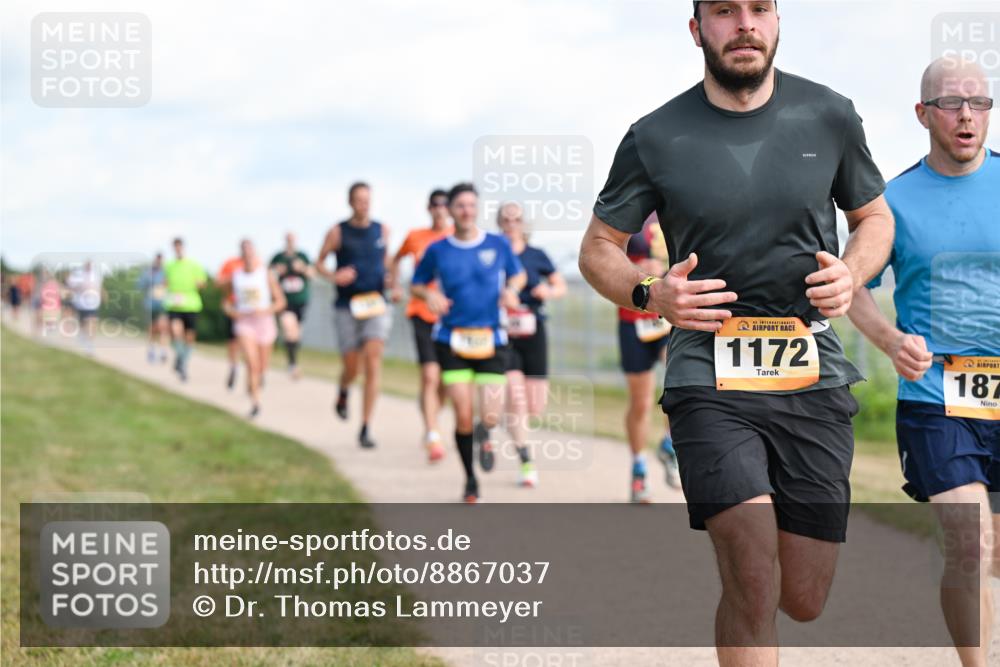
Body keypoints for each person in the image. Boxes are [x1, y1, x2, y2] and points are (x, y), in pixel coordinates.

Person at [578, 2, 894, 664]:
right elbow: (599, 248)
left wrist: (852, 271)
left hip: (812, 369)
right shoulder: (655, 135)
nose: (743, 23)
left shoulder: (830, 114)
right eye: (723, 11)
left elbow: (874, 218)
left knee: (802, 595)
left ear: (778, 24)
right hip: (706, 373)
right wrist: (651, 293)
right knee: (751, 573)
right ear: (697, 30)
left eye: (758, 9)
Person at [848, 57, 998, 667]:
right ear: (923, 114)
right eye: (951, 103)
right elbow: (851, 285)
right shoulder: (891, 202)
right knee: (969, 541)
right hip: (937, 396)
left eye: (980, 102)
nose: (967, 115)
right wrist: (888, 340)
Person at [412, 183, 526, 503]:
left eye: (471, 205)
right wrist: (430, 294)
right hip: (452, 340)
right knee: (463, 413)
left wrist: (512, 290)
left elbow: (517, 276)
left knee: (489, 414)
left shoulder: (497, 244)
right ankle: (470, 479)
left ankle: (484, 432)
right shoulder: (438, 250)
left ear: (477, 209)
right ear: (449, 210)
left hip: (491, 339)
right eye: (459, 206)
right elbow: (417, 284)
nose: (466, 211)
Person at [316, 182, 392, 449]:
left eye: (367, 200)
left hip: (376, 303)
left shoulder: (382, 230)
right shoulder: (337, 232)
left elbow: (387, 263)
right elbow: (319, 263)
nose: (364, 205)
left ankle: (366, 426)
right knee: (353, 367)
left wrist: (392, 285)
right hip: (347, 306)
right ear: (350, 202)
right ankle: (344, 390)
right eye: (359, 200)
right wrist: (334, 275)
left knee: (373, 360)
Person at [496, 201, 566, 488]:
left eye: (517, 219)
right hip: (504, 332)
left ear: (524, 223)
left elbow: (559, 286)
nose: (512, 223)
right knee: (516, 397)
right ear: (500, 223)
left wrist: (547, 290)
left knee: (535, 405)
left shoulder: (537, 255)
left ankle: (505, 422)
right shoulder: (494, 253)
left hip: (534, 330)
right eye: (507, 219)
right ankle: (526, 460)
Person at [617, 215, 680, 503]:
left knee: (680, 386)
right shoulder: (626, 205)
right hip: (634, 318)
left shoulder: (678, 200)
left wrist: (666, 270)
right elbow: (602, 256)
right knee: (641, 403)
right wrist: (636, 270)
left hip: (671, 315)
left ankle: (670, 444)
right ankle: (639, 467)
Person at [389, 188, 454, 462]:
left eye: (444, 205)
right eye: (435, 205)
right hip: (420, 311)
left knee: (446, 382)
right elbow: (395, 259)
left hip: (452, 316)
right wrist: (393, 284)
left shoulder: (457, 237)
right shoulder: (416, 237)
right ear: (429, 209)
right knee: (429, 375)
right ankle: (432, 435)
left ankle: (431, 420)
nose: (439, 209)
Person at [224, 239, 286, 418]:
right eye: (245, 252)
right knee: (252, 363)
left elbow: (281, 302)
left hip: (264, 322)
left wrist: (265, 310)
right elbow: (226, 302)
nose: (249, 255)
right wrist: (232, 312)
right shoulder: (235, 276)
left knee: (262, 366)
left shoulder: (265, 274)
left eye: (251, 251)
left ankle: (255, 382)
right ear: (241, 255)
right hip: (244, 323)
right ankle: (256, 403)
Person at [270, 232, 314, 379]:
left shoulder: (302, 256)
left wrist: (301, 268)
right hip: (284, 301)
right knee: (289, 329)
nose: (290, 242)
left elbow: (312, 274)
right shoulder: (278, 258)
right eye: (288, 239)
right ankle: (292, 364)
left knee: (296, 334)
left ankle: (292, 358)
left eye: (292, 239)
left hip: (300, 300)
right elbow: (267, 276)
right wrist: (277, 271)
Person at [164, 238, 207, 382]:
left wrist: (198, 283)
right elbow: (165, 282)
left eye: (179, 247)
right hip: (174, 304)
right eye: (175, 247)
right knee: (176, 332)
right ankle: (181, 360)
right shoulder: (169, 265)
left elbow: (202, 283)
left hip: (191, 304)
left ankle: (182, 360)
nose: (178, 250)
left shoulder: (193, 265)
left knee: (189, 337)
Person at [217, 255, 244, 390]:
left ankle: (256, 371)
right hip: (234, 305)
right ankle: (234, 366)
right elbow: (219, 283)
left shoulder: (258, 264)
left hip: (251, 310)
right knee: (233, 340)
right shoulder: (230, 264)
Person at [66, 260, 104, 355]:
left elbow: (99, 287)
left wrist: (103, 294)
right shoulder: (78, 275)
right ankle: (82, 336)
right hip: (81, 303)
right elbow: (70, 286)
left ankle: (89, 345)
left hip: (93, 303)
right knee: (83, 323)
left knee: (92, 321)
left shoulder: (96, 275)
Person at [137, 253, 169, 363]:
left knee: (163, 327)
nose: (159, 262)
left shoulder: (167, 272)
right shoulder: (148, 273)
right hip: (150, 304)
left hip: (163, 304)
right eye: (157, 260)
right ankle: (151, 350)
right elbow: (140, 285)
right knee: (152, 329)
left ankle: (163, 351)